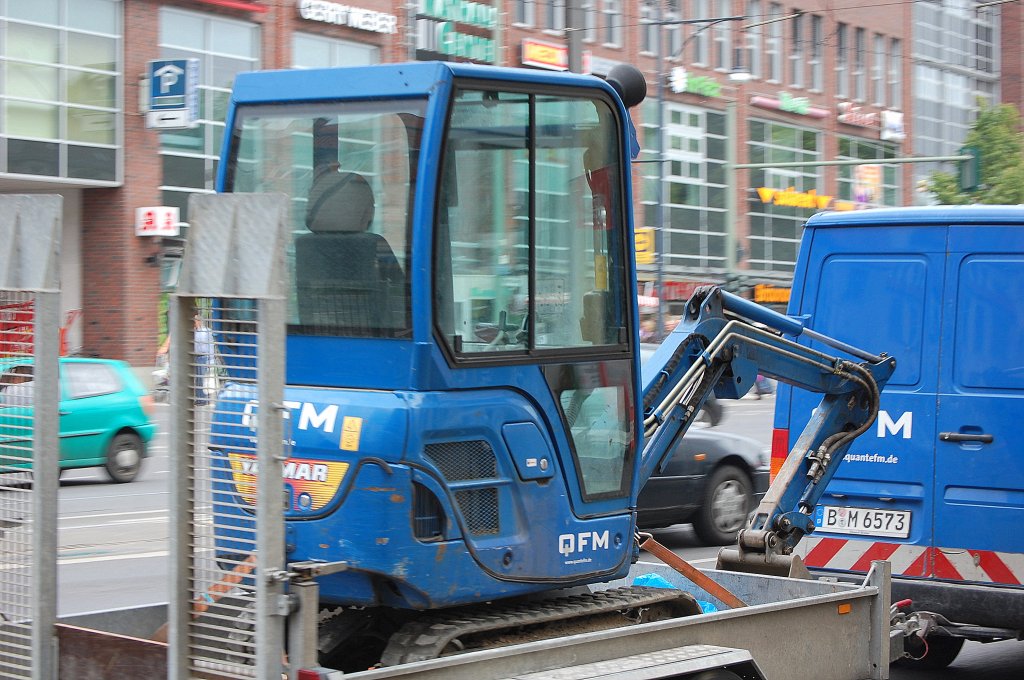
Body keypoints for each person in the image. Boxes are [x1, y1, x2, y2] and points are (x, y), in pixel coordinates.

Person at [193, 315, 215, 405]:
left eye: (195, 321)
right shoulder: (194, 332)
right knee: (198, 380)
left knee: (203, 379)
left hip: (204, 357)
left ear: (199, 321)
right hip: (196, 357)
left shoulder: (206, 331)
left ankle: (204, 399)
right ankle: (199, 399)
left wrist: (211, 359)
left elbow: (211, 345)